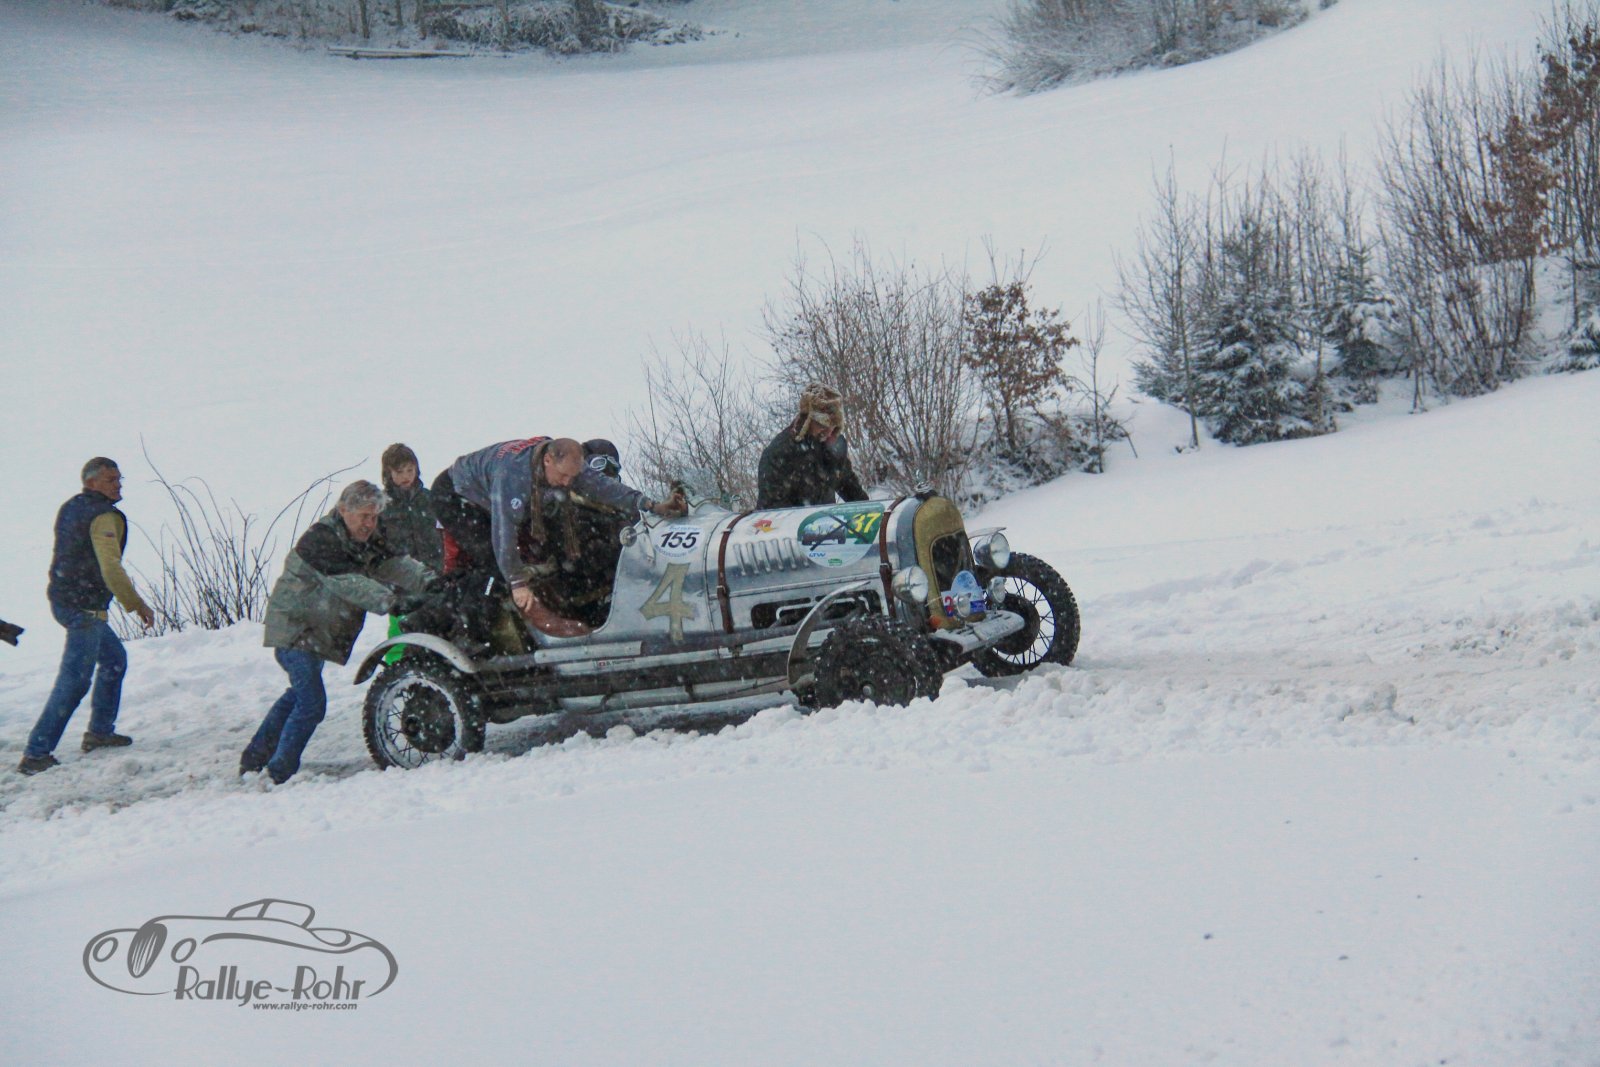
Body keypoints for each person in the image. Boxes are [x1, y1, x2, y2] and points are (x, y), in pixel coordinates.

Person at [241, 481, 433, 784]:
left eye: (374, 517)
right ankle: (279, 773)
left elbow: (395, 565)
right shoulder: (322, 539)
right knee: (312, 704)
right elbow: (348, 582)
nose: (369, 524)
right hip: (296, 628)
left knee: (297, 697)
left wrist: (431, 582)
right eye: (364, 516)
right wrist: (392, 602)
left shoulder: (366, 540)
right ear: (343, 510)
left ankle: (253, 759)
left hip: (316, 631)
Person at [429, 437, 684, 639]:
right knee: (494, 560)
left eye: (572, 478)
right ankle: (473, 631)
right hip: (454, 496)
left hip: (487, 494)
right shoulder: (513, 477)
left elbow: (605, 488)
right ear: (548, 460)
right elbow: (504, 533)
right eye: (563, 477)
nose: (566, 483)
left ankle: (572, 603)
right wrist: (518, 583)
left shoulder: (565, 466)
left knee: (551, 539)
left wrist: (650, 504)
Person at [18, 458, 155, 776]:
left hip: (63, 598)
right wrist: (137, 604)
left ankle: (99, 732)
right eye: (110, 480)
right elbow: (111, 567)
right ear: (91, 482)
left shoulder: (72, 507)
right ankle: (36, 753)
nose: (117, 485)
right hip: (84, 608)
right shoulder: (104, 516)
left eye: (119, 479)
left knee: (114, 660)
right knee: (75, 681)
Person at [756, 384, 869, 509]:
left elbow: (851, 488)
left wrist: (871, 511)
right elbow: (771, 508)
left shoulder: (832, 446)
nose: (828, 432)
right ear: (807, 420)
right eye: (822, 425)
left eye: (833, 426)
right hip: (793, 520)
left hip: (828, 519)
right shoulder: (779, 453)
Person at [376, 443, 443, 572]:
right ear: (389, 473)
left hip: (436, 570)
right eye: (399, 472)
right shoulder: (381, 506)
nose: (405, 476)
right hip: (401, 576)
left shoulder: (431, 499)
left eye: (410, 470)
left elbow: (447, 534)